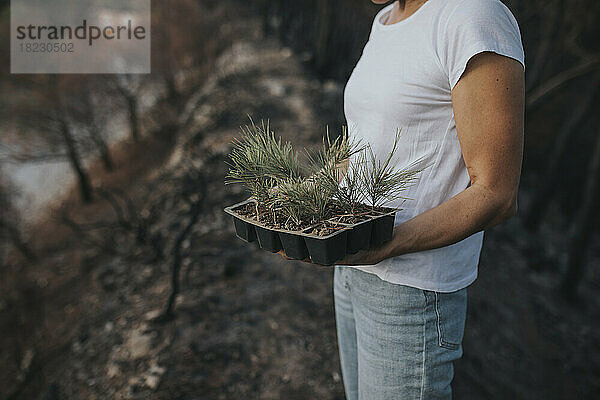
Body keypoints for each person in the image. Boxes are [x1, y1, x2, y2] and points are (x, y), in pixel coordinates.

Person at [280, 0, 525, 398]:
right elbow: (364, 140)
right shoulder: (386, 20)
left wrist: (388, 243)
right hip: (352, 269)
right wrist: (309, 193)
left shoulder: (473, 16)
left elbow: (496, 194)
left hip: (411, 293)